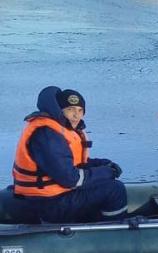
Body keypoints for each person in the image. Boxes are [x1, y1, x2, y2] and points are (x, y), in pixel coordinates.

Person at [11, 87, 127, 223]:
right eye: (70, 109)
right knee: (115, 189)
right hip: (48, 203)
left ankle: (91, 223)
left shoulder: (57, 130)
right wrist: (106, 172)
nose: (76, 115)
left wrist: (102, 164)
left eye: (80, 110)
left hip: (51, 196)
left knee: (105, 181)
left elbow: (72, 163)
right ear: (60, 111)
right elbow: (70, 179)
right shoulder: (48, 134)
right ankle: (113, 233)